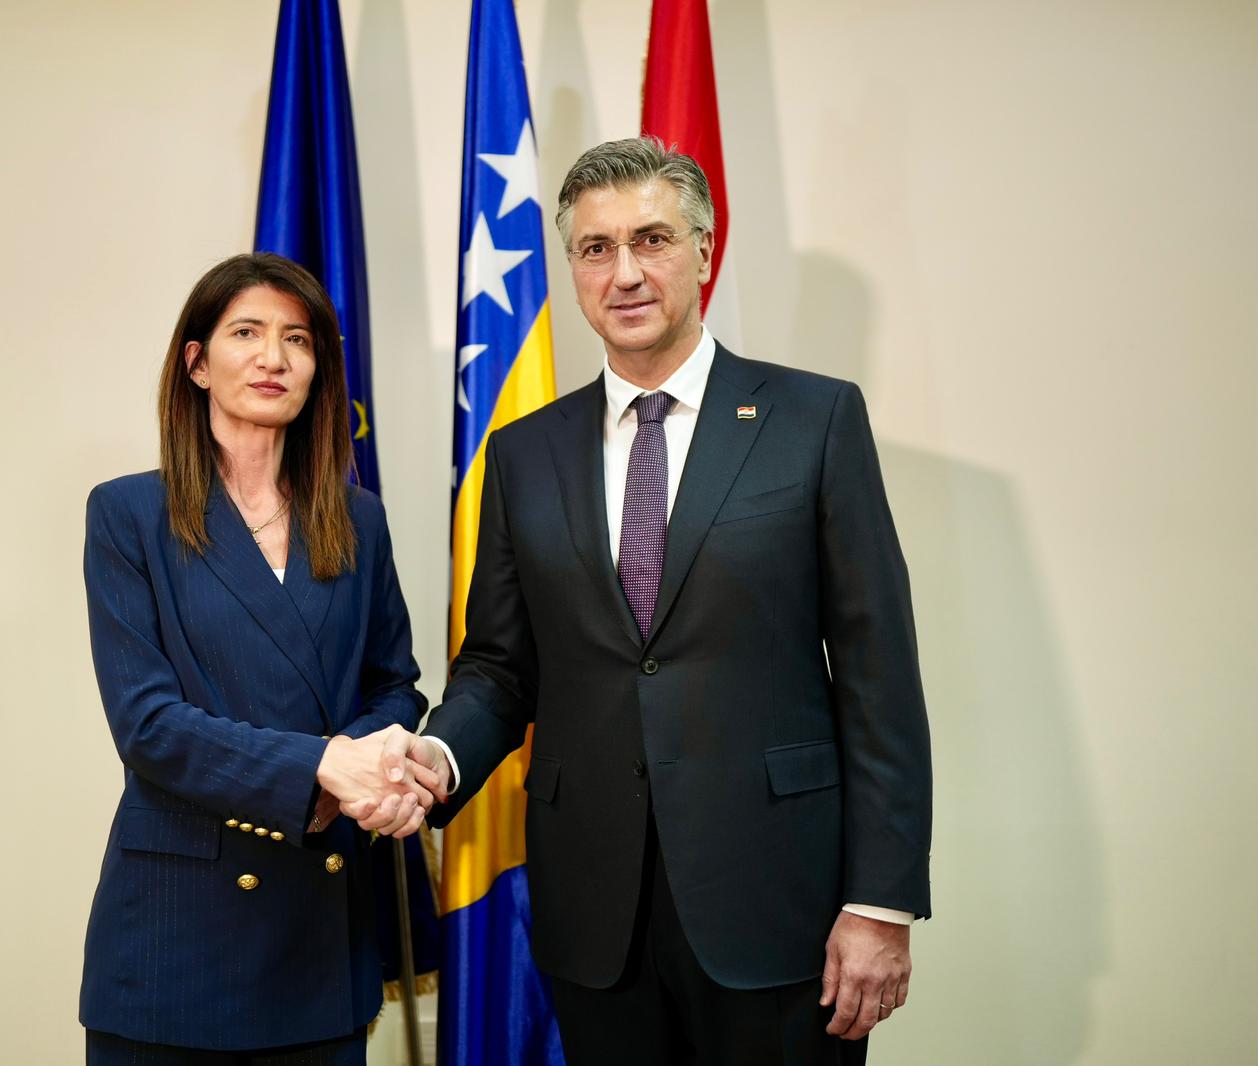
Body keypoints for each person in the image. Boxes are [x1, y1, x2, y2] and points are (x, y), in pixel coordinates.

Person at [368, 138, 933, 1064]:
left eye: (652, 240)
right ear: (573, 269)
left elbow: (880, 676)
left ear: (704, 250)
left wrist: (881, 901)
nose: (624, 273)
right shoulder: (523, 454)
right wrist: (436, 756)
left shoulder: (815, 421)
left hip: (780, 905)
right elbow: (501, 668)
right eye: (596, 248)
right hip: (597, 915)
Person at [79, 252, 437, 1065]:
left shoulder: (358, 518)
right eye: (246, 333)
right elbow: (147, 725)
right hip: (177, 937)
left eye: (297, 339)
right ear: (197, 363)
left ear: (318, 370)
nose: (274, 357)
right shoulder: (128, 513)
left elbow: (394, 687)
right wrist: (322, 767)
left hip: (317, 927)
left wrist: (368, 766)